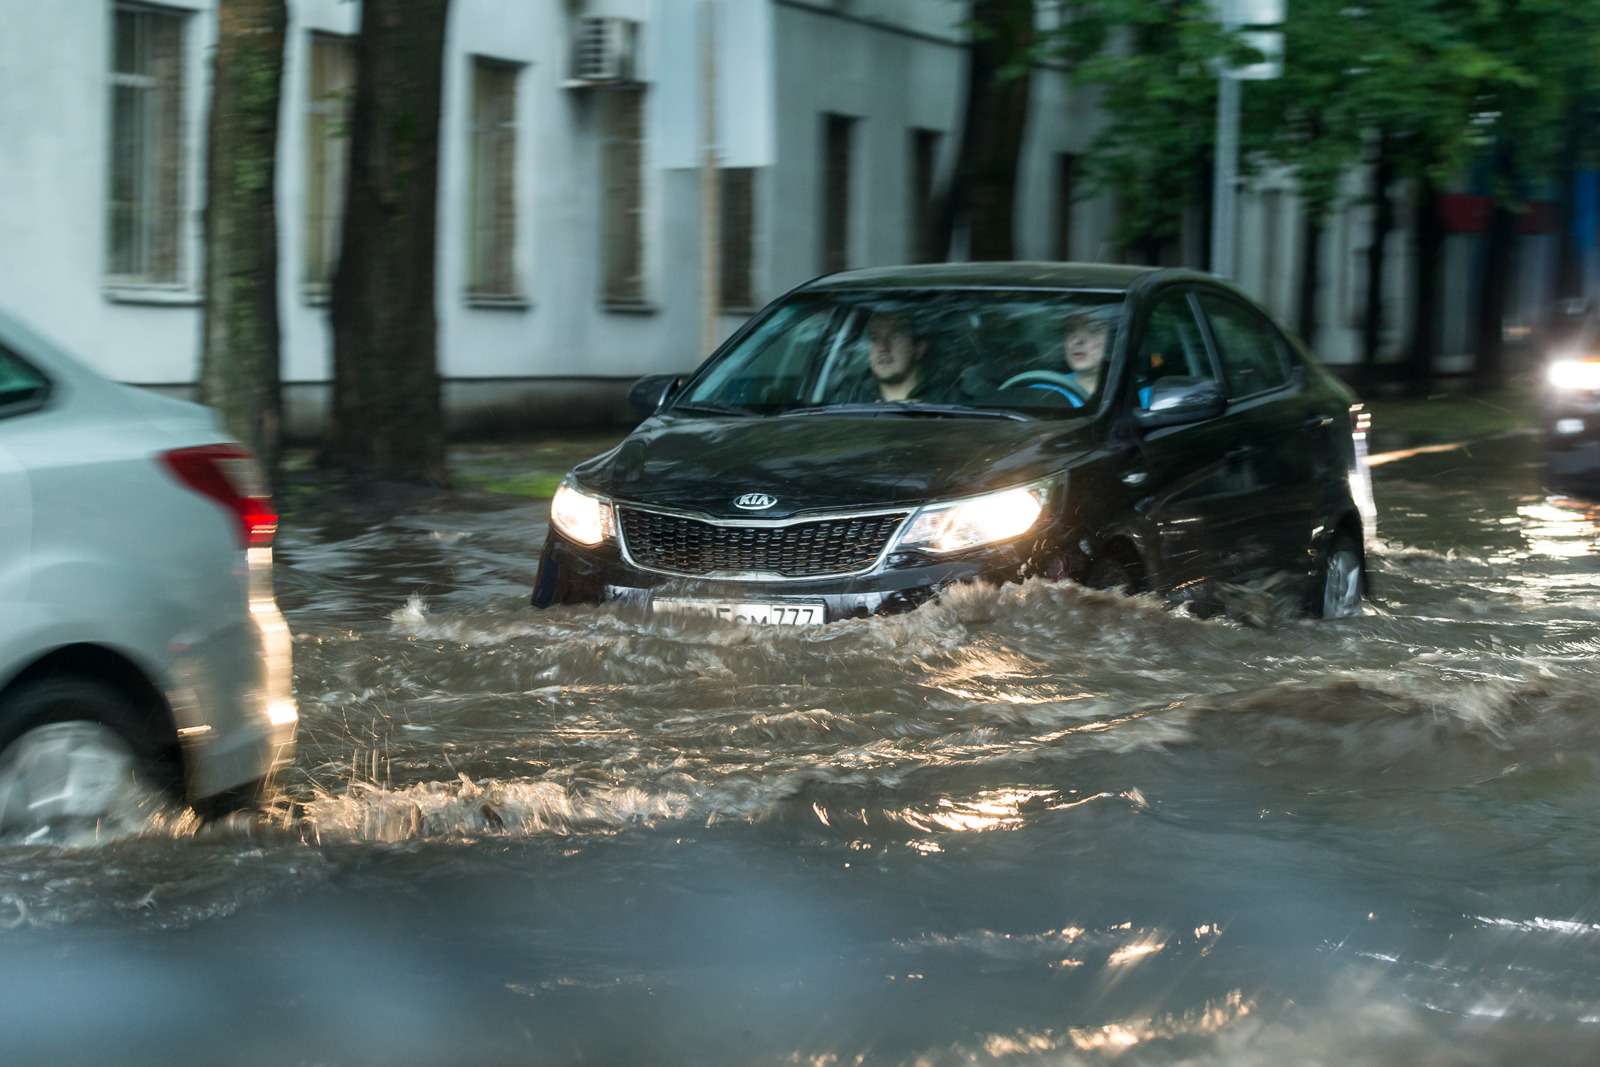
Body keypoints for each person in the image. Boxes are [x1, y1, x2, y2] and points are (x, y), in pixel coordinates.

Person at [863, 310, 931, 401]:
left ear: (919, 348)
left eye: (894, 337)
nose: (883, 348)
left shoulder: (947, 400)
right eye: (874, 338)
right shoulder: (848, 396)